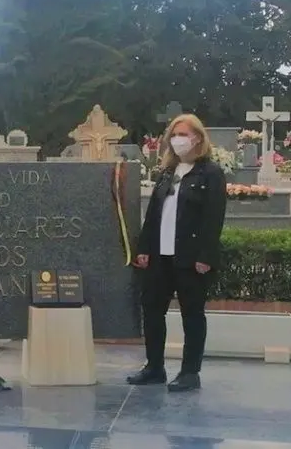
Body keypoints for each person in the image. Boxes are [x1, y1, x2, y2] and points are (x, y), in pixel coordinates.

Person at [128, 113, 227, 392]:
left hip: (190, 257)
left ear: (198, 138)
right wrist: (144, 248)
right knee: (152, 310)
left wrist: (205, 256)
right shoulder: (167, 172)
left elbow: (213, 218)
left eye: (183, 134)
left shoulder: (210, 173)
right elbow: (154, 214)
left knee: (191, 315)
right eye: (174, 134)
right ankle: (154, 367)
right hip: (160, 255)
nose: (177, 139)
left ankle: (189, 372)